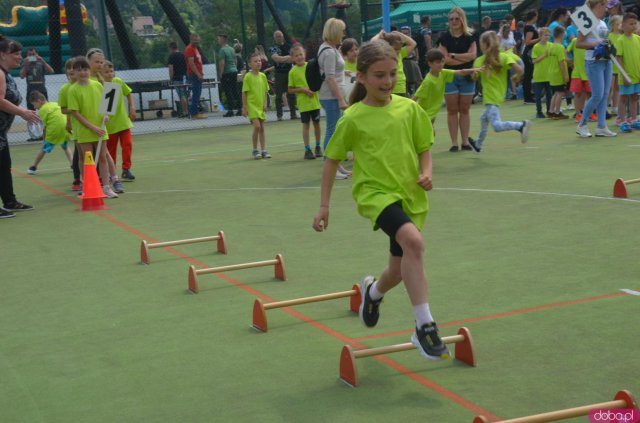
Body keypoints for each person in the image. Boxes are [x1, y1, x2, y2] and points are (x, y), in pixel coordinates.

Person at [312, 40, 450, 361]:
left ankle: (372, 293)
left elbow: (424, 147)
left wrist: (427, 171)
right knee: (414, 242)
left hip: (409, 196)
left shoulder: (409, 109)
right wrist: (324, 205)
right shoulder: (353, 118)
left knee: (399, 270)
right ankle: (424, 326)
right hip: (375, 195)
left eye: (391, 74)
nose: (387, 82)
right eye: (378, 76)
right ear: (361, 77)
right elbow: (332, 159)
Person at [467, 31, 532, 153]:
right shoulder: (503, 57)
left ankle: (521, 125)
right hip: (496, 96)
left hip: (491, 98)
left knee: (496, 126)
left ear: (484, 45)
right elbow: (520, 70)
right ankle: (478, 144)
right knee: (483, 119)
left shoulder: (480, 60)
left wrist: (475, 74)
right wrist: (517, 77)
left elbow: (473, 78)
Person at [0, 35, 40, 218]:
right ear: (2, 55)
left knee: (3, 165)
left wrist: (26, 112)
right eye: (14, 53)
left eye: (20, 53)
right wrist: (22, 113)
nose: (19, 56)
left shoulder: (6, 74)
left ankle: (9, 201)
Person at [66, 57, 117, 198]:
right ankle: (88, 187)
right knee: (88, 159)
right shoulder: (72, 90)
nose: (82, 73)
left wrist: (107, 116)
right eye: (79, 70)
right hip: (84, 130)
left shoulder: (98, 85)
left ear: (90, 70)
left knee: (102, 157)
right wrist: (92, 127)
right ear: (74, 72)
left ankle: (106, 187)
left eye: (85, 69)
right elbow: (75, 113)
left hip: (100, 128)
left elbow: (107, 105)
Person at [438, 7, 477, 152]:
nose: (454, 21)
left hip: (468, 77)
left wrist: (453, 56)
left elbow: (473, 55)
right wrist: (461, 58)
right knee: (452, 110)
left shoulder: (471, 35)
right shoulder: (444, 37)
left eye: (456, 18)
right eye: (451, 19)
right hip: (450, 77)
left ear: (462, 19)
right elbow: (444, 60)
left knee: (465, 109)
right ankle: (454, 143)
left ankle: (465, 141)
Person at [576, 0, 617, 137]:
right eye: (604, 6)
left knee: (605, 95)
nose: (606, 9)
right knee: (597, 95)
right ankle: (582, 124)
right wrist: (597, 43)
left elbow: (603, 40)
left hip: (606, 60)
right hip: (593, 61)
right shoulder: (587, 21)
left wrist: (608, 45)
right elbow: (579, 43)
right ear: (598, 5)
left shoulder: (602, 22)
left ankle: (601, 126)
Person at [86, 48, 124, 194]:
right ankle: (88, 182)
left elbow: (110, 99)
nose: (100, 65)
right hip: (86, 123)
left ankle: (114, 180)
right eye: (97, 62)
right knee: (85, 156)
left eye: (102, 62)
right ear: (88, 62)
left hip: (99, 122)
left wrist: (106, 114)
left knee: (105, 153)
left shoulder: (105, 79)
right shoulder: (84, 79)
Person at [318, 18, 350, 179]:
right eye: (342, 31)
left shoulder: (331, 48)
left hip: (332, 96)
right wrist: (341, 100)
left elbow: (333, 72)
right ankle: (329, 166)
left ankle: (336, 165)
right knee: (332, 131)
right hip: (331, 97)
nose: (344, 34)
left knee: (335, 131)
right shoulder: (329, 51)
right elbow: (330, 78)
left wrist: (347, 73)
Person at [413, 49, 480, 127]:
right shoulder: (428, 81)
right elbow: (416, 97)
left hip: (433, 111)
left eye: (442, 61)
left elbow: (461, 72)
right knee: (429, 133)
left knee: (430, 133)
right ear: (430, 63)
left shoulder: (443, 73)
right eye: (438, 62)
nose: (441, 64)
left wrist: (473, 70)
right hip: (424, 112)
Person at [101, 60, 137, 181]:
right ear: (100, 74)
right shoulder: (99, 86)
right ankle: (112, 172)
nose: (110, 74)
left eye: (111, 71)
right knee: (111, 150)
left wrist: (132, 107)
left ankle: (126, 169)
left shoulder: (118, 82)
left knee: (128, 144)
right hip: (110, 125)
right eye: (106, 72)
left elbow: (128, 93)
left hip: (123, 122)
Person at [288, 44, 322, 160]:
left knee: (317, 124)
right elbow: (290, 89)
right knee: (306, 125)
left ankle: (318, 147)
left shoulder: (311, 66)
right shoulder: (292, 72)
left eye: (301, 54)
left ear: (305, 54)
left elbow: (318, 81)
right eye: (296, 55)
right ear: (292, 58)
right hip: (303, 105)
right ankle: (307, 149)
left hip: (315, 102)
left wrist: (313, 89)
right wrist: (303, 90)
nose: (299, 57)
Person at [26, 91, 72, 175]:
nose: (34, 107)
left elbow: (45, 126)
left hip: (54, 132)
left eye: (34, 104)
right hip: (66, 129)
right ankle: (72, 164)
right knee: (65, 146)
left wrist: (44, 138)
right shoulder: (55, 104)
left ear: (39, 101)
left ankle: (33, 167)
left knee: (44, 149)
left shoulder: (42, 110)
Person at [58, 57, 82, 191]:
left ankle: (100, 177)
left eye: (75, 67)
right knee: (79, 152)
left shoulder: (87, 85)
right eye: (69, 67)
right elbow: (65, 108)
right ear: (66, 71)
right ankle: (77, 179)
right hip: (76, 124)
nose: (72, 70)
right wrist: (69, 120)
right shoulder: (65, 89)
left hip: (91, 123)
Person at [614, 13, 640, 130]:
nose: (633, 26)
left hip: (637, 75)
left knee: (634, 97)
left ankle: (634, 119)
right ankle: (622, 120)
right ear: (623, 25)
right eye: (631, 24)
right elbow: (618, 59)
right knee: (623, 98)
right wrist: (624, 75)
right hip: (626, 76)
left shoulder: (638, 39)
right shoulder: (620, 40)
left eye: (635, 23)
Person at [242, 52, 270, 159]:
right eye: (255, 61)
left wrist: (265, 103)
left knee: (262, 128)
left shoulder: (263, 76)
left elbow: (265, 92)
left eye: (259, 61)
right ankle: (254, 150)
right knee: (257, 126)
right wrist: (244, 107)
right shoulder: (248, 77)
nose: (258, 63)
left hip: (260, 106)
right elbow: (244, 93)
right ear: (250, 64)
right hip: (252, 106)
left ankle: (264, 150)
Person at [372, 30, 417, 96]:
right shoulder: (382, 54)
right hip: (388, 87)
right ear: (387, 46)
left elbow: (413, 43)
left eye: (399, 49)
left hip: (401, 87)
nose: (398, 51)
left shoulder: (401, 54)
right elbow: (372, 43)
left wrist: (399, 34)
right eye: (395, 49)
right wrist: (379, 34)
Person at [269, 31, 297, 120]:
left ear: (283, 36)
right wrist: (288, 58)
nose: (279, 38)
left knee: (291, 93)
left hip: (290, 72)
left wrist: (283, 59)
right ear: (274, 38)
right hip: (279, 73)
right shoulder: (273, 48)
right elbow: (276, 58)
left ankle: (293, 114)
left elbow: (293, 59)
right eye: (277, 36)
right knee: (278, 95)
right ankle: (279, 116)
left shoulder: (289, 46)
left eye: (280, 36)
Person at [19, 47, 54, 114]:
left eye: (33, 54)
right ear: (27, 56)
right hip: (30, 90)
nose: (32, 56)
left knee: (46, 108)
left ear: (37, 54)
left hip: (41, 90)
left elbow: (51, 71)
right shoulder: (25, 64)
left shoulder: (41, 63)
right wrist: (26, 65)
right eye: (29, 55)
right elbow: (21, 76)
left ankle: (46, 123)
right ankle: (33, 124)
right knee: (31, 109)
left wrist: (42, 61)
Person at [568, 37, 593, 122]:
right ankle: (578, 114)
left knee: (590, 94)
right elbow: (566, 52)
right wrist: (569, 61)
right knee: (578, 94)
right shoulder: (575, 41)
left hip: (589, 72)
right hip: (577, 72)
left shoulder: (591, 40)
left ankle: (590, 114)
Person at [548, 26, 570, 119]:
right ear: (561, 34)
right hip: (558, 73)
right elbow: (561, 63)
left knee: (556, 93)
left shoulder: (551, 46)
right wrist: (565, 76)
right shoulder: (560, 47)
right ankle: (557, 112)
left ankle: (551, 111)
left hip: (551, 73)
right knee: (560, 93)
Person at [531, 27, 553, 119]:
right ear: (540, 36)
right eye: (545, 35)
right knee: (538, 95)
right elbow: (534, 61)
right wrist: (544, 55)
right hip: (539, 75)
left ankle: (549, 110)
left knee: (549, 95)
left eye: (548, 35)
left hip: (549, 75)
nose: (547, 37)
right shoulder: (536, 47)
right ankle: (539, 112)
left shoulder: (551, 45)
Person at [217, 34, 240, 117]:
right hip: (234, 71)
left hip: (227, 72)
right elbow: (235, 60)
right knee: (235, 90)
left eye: (219, 39)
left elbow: (222, 63)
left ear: (223, 40)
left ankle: (230, 110)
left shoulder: (222, 50)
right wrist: (235, 69)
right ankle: (240, 108)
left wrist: (221, 73)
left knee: (228, 91)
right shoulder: (231, 49)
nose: (218, 41)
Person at [186, 33, 207, 119]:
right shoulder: (190, 49)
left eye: (198, 40)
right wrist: (198, 74)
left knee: (197, 93)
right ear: (191, 40)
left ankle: (194, 111)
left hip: (197, 74)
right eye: (195, 40)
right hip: (194, 74)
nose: (197, 41)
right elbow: (191, 63)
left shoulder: (195, 48)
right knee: (196, 93)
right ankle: (194, 113)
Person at [522, 10, 540, 105]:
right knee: (528, 75)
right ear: (534, 17)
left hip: (530, 53)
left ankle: (529, 95)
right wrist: (540, 38)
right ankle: (527, 97)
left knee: (529, 75)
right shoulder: (529, 27)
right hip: (529, 53)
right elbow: (528, 42)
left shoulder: (529, 26)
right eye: (536, 16)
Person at [167, 41, 188, 118]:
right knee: (184, 95)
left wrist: (170, 78)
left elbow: (171, 69)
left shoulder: (171, 56)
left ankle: (185, 112)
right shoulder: (183, 55)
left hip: (176, 78)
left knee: (181, 95)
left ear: (171, 48)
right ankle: (186, 111)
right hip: (184, 77)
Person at [607, 15, 623, 117]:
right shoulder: (609, 36)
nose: (619, 26)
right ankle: (604, 107)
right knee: (609, 88)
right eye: (617, 24)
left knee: (617, 88)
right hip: (611, 66)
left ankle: (615, 107)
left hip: (619, 66)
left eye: (620, 24)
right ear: (612, 25)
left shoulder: (622, 36)